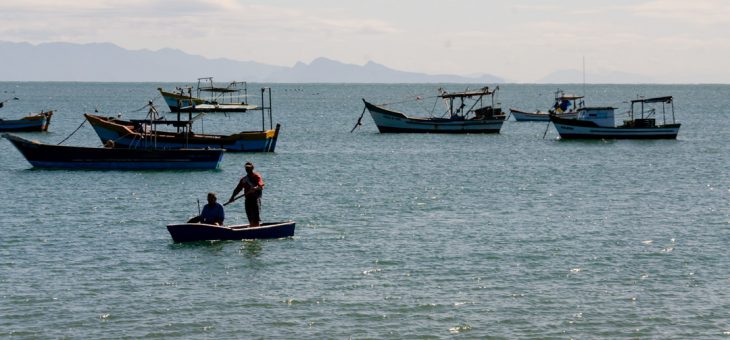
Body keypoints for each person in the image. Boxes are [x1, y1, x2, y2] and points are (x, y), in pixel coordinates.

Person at [227, 162, 264, 227]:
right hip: (248, 200)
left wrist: (255, 188)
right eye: (246, 168)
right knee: (250, 218)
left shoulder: (256, 176)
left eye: (249, 168)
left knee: (255, 218)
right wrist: (232, 197)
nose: (247, 169)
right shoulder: (244, 179)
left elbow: (260, 186)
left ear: (252, 168)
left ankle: (256, 228)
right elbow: (237, 189)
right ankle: (252, 227)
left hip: (255, 199)